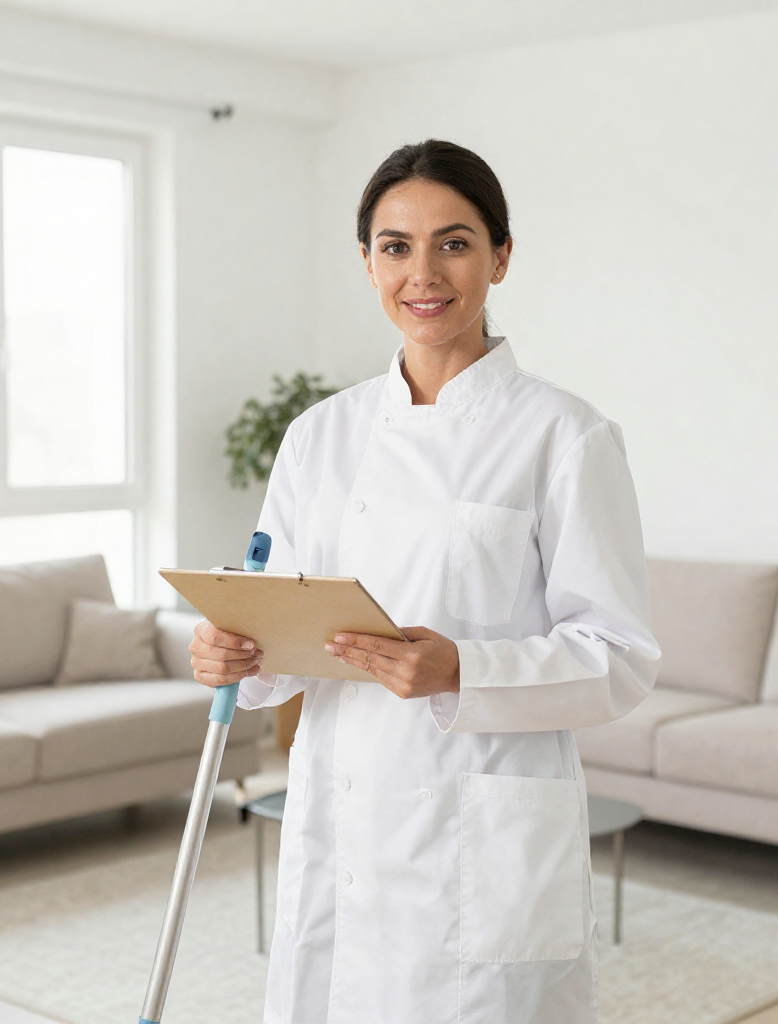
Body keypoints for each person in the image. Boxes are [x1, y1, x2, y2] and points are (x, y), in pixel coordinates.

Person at [189, 139, 660, 1024]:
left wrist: (462, 671)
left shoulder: (565, 436)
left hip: (480, 826)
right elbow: (283, 624)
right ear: (366, 261)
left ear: (501, 257)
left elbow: (620, 658)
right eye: (396, 246)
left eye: (454, 242)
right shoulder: (318, 436)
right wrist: (237, 650)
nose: (423, 273)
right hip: (339, 811)